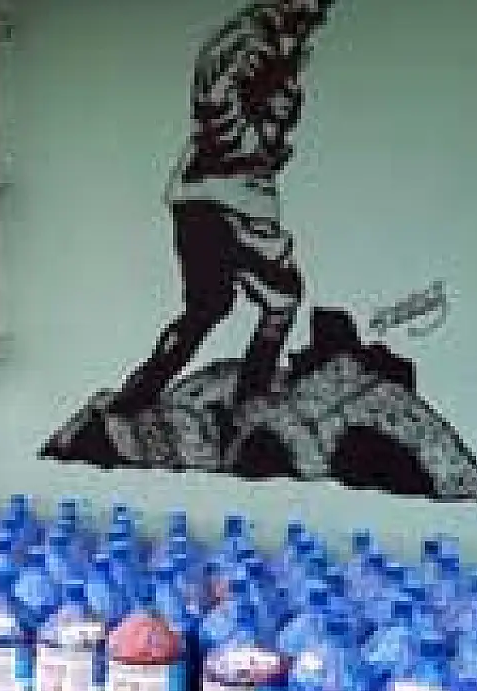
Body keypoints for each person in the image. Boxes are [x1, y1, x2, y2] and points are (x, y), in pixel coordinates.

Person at [109, 0, 336, 420]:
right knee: (282, 298)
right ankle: (250, 402)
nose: (316, 12)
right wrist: (249, 147)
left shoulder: (276, 37)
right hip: (231, 198)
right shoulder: (254, 37)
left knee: (208, 307)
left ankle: (140, 393)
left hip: (211, 195)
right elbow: (214, 99)